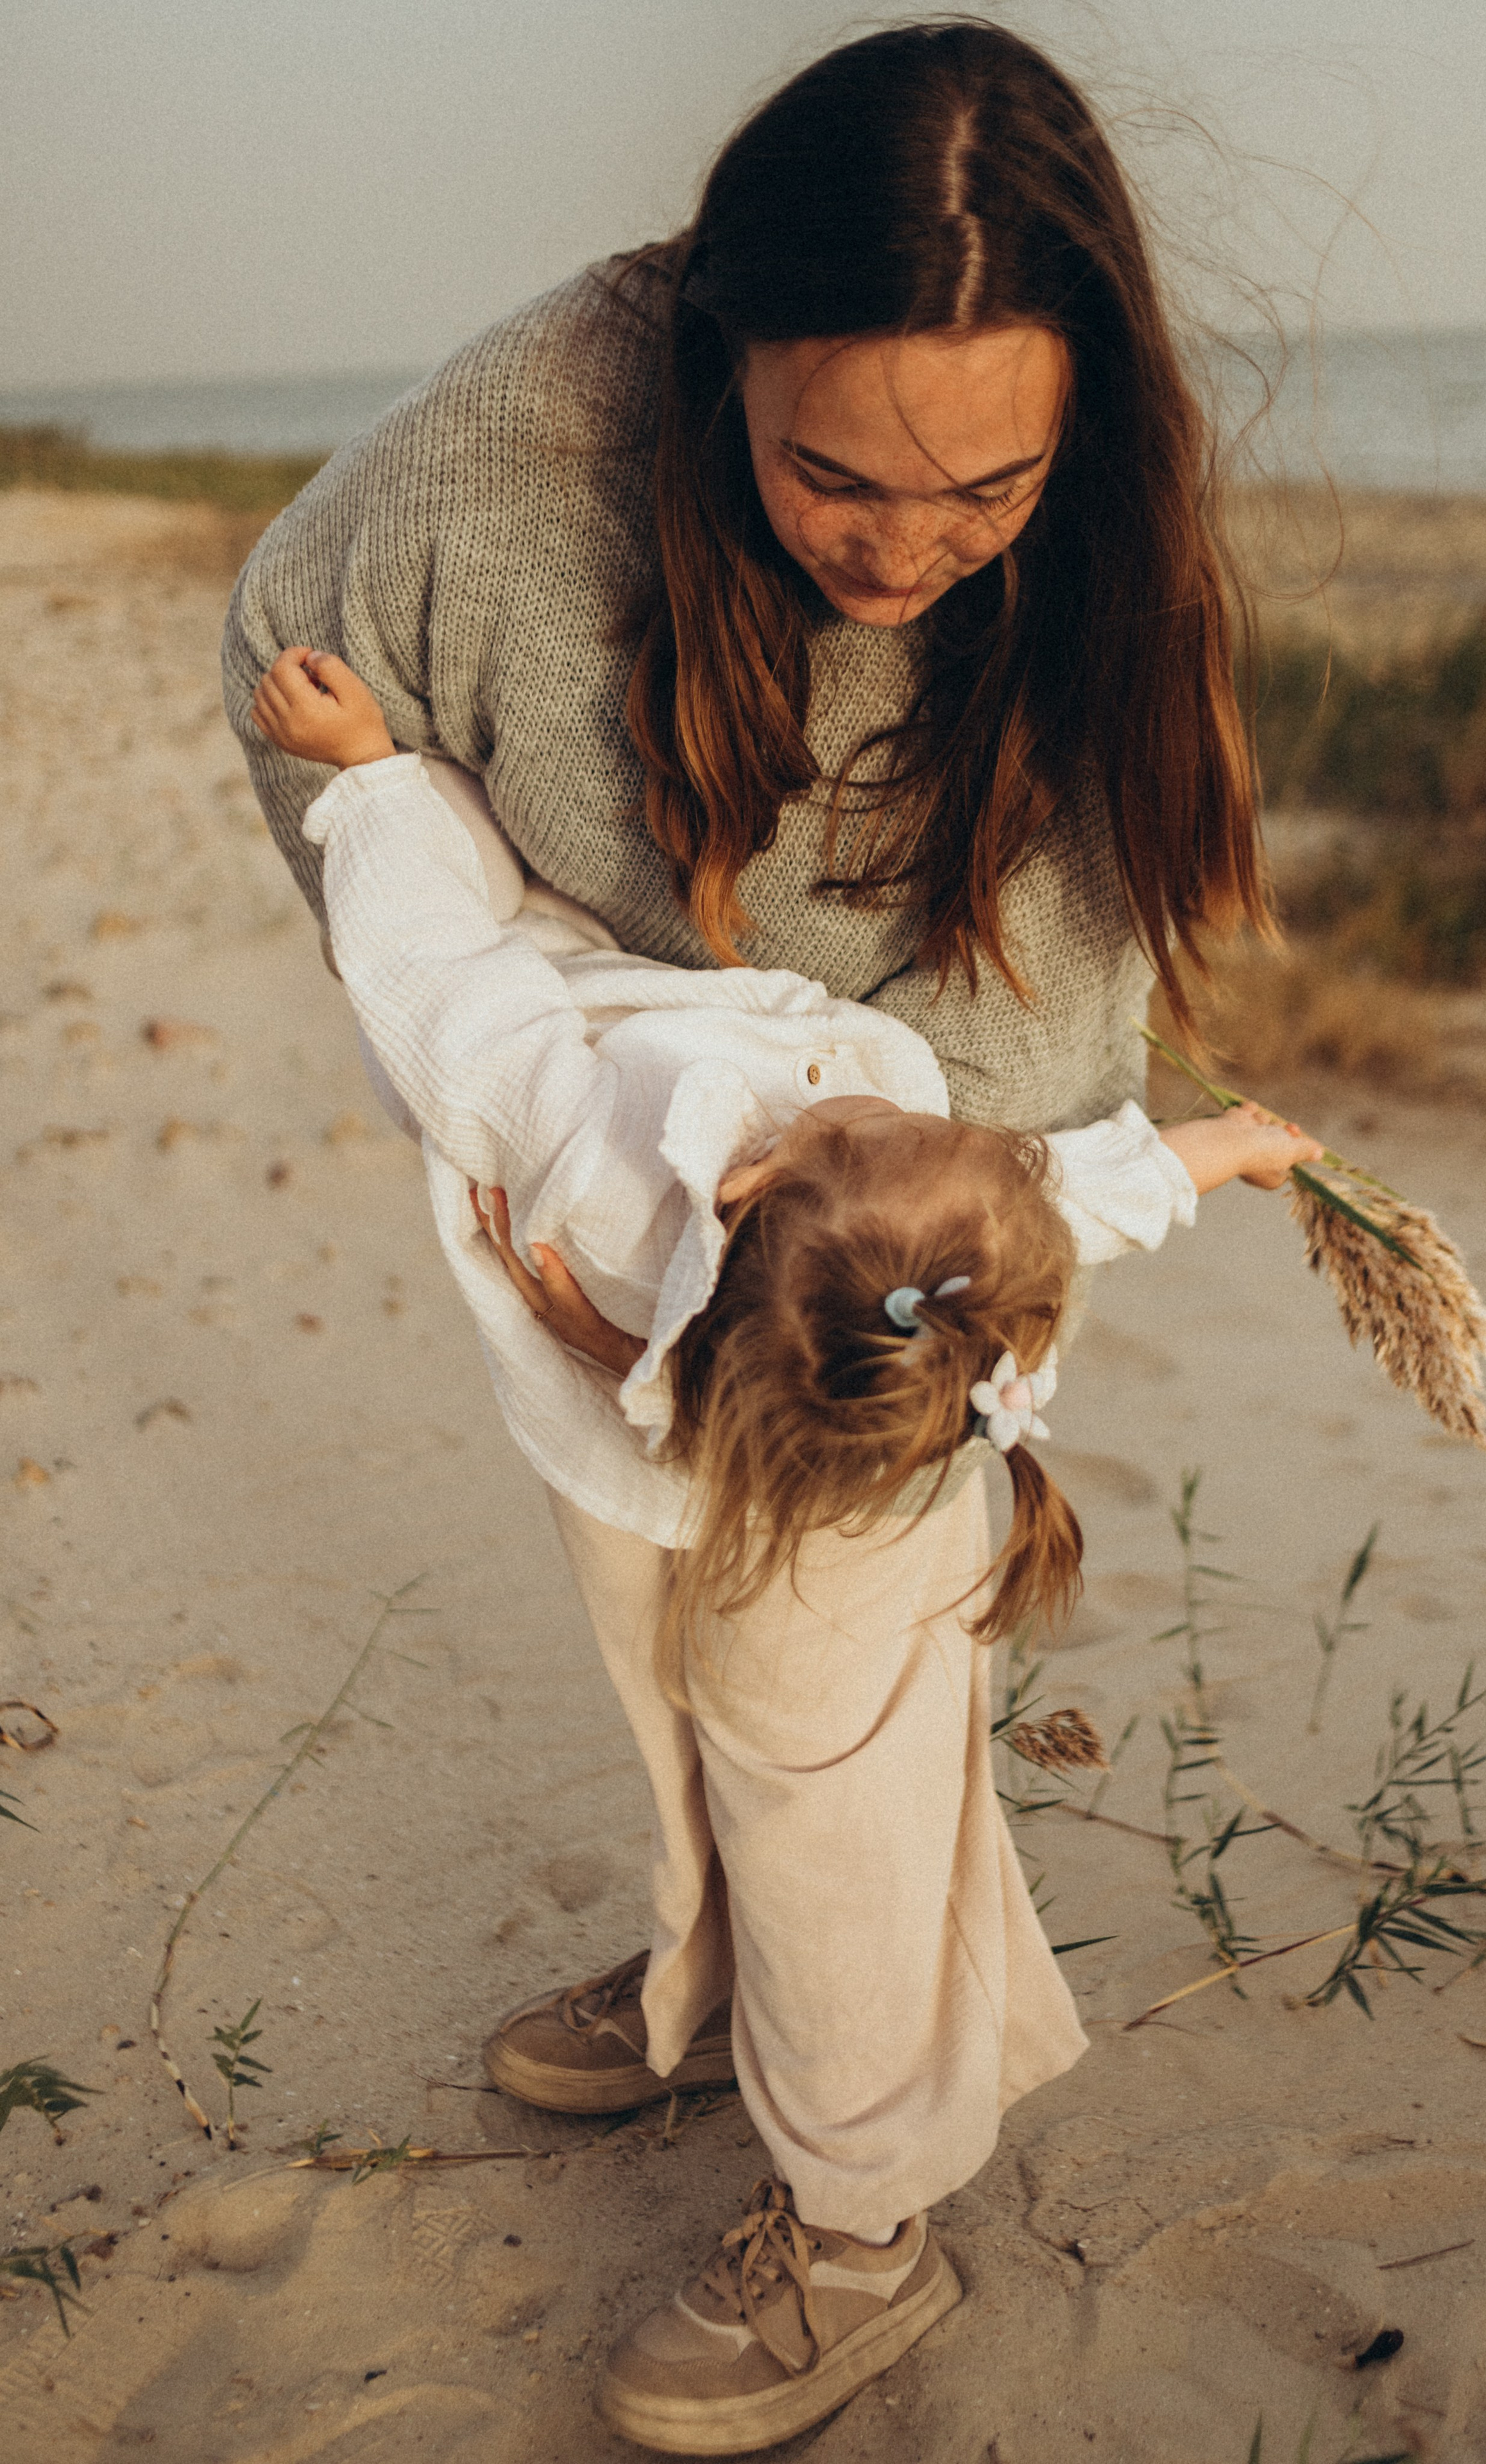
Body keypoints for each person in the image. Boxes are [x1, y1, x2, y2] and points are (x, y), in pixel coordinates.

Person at [225, 21, 1295, 2449]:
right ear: (722, 363)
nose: (906, 551)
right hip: (608, 1360)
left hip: (899, 1325)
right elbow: (396, 840)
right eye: (836, 475)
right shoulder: (544, 472)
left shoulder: (1079, 608)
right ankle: (707, 1993)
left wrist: (1050, 1276)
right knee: (686, 1691)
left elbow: (1047, 1160)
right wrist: (566, 1222)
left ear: (1076, 438)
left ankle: (860, 2223)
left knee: (838, 1766)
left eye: (985, 486)